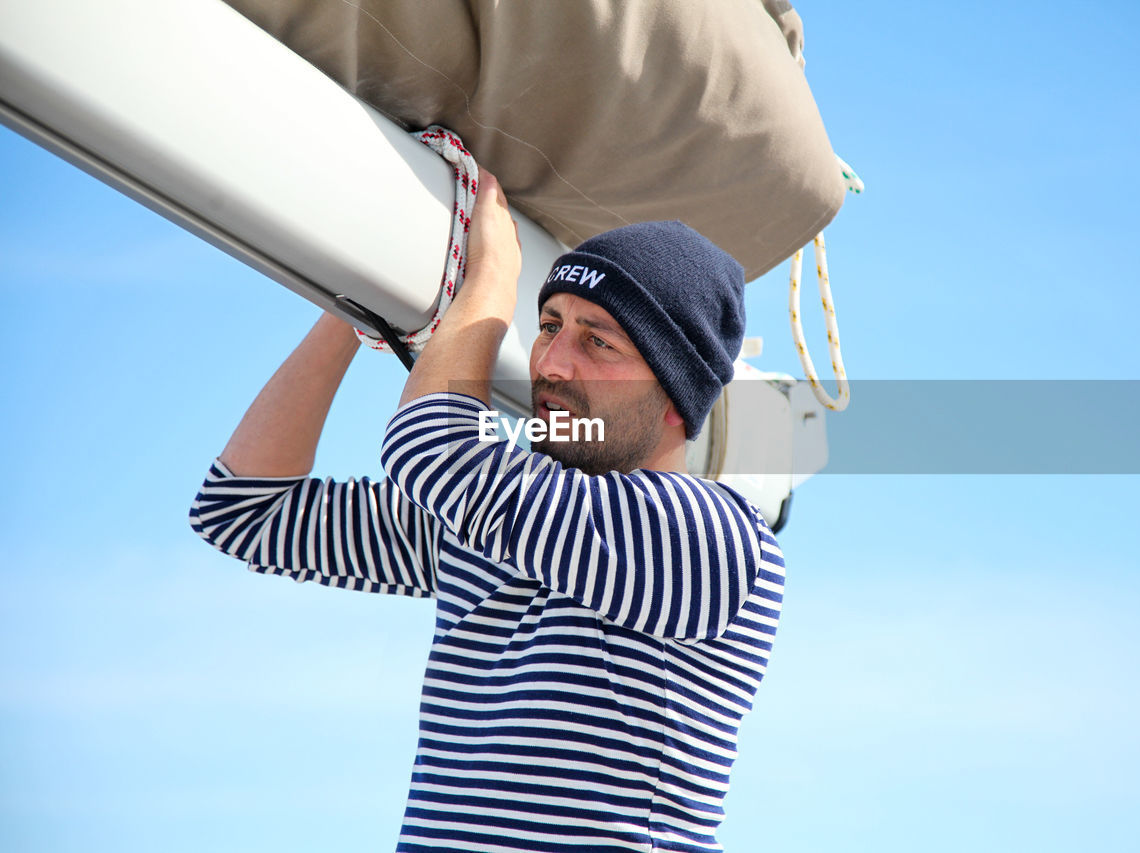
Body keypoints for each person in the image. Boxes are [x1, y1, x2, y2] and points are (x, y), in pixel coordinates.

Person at [189, 169, 786, 852]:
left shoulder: (714, 540)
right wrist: (357, 302)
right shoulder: (489, 522)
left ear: (677, 398)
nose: (551, 363)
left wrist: (492, 280)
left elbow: (430, 449)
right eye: (549, 325)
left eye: (599, 341)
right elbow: (243, 510)